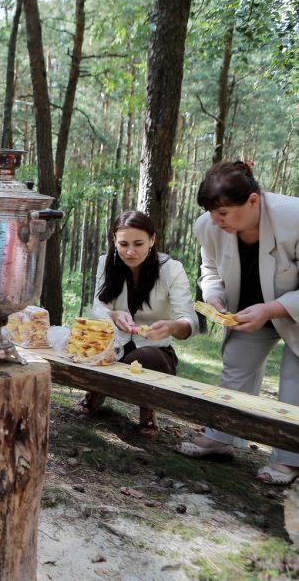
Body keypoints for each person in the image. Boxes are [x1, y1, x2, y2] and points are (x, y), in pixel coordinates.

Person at [175, 161, 299, 485]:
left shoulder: (294, 218)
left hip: (294, 312)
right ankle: (221, 439)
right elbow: (210, 269)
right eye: (212, 213)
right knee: (235, 367)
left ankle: (287, 460)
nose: (215, 221)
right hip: (247, 312)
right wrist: (214, 295)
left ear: (253, 201)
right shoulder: (208, 226)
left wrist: (272, 309)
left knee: (294, 380)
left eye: (224, 213)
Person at [74, 211, 198, 430]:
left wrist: (172, 327)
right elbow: (98, 307)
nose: (130, 252)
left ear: (152, 239)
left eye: (139, 244)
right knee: (94, 348)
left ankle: (147, 407)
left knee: (142, 359)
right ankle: (94, 394)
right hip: (114, 342)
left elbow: (188, 319)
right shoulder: (106, 262)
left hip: (153, 349)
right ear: (114, 240)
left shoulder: (171, 269)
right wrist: (112, 315)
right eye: (123, 244)